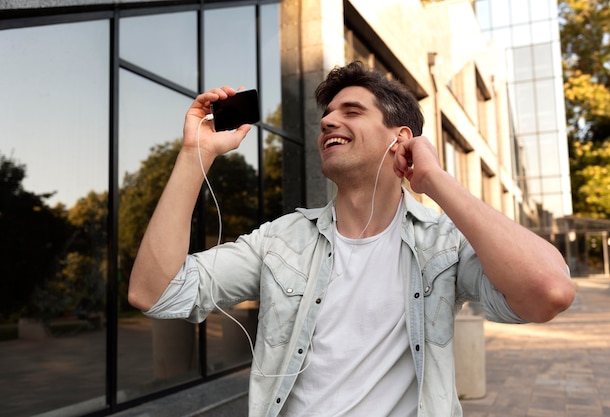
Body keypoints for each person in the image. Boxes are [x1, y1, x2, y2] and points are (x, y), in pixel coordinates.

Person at [128, 61, 575, 417]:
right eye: (326, 115)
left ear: (400, 139)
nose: (327, 122)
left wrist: (435, 179)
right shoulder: (281, 241)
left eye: (351, 112)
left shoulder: (444, 245)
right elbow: (155, 292)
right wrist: (195, 155)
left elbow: (549, 291)